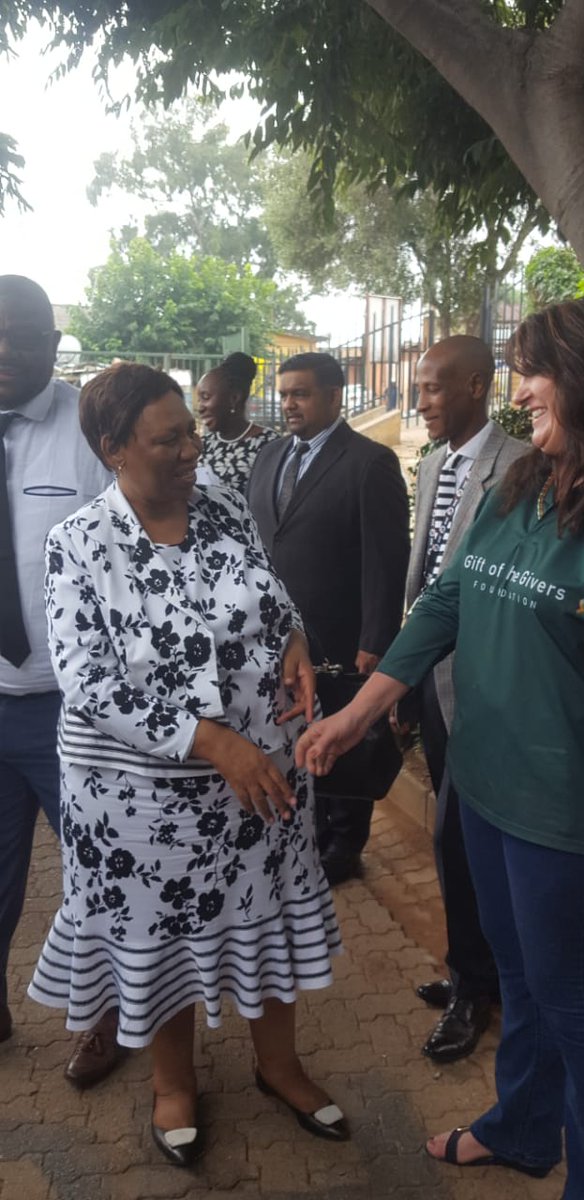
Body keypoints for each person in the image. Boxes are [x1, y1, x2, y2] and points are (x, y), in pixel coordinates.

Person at [296, 296, 584, 1199]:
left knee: (577, 1003)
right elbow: (446, 600)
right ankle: (521, 1128)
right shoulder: (526, 483)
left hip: (567, 815)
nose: (521, 389)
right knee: (518, 977)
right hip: (482, 785)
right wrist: (358, 714)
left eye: (535, 371)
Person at [28, 362, 346, 1167]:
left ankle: (279, 1067)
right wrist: (212, 743)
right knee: (162, 936)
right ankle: (173, 1084)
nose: (190, 449)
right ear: (113, 448)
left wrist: (295, 638)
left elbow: (268, 591)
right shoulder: (77, 543)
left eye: (190, 432)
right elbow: (87, 680)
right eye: (167, 439)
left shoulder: (223, 503)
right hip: (140, 799)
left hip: (259, 779)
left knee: (268, 917)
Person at [0, 274, 122, 1086]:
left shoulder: (91, 433)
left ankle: (107, 1018)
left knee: (97, 867)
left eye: (21, 334)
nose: (4, 350)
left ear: (52, 343)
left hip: (72, 711)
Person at [400, 336, 527, 1064]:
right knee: (450, 836)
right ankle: (472, 971)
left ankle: (479, 987)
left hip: (483, 684)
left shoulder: (521, 467)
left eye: (433, 388)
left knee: (463, 836)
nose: (420, 402)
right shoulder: (433, 465)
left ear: (477, 386)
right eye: (419, 387)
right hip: (430, 674)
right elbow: (425, 575)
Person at [248, 352, 410, 886]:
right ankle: (304, 828)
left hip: (340, 636)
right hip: (274, 634)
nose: (288, 404)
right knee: (292, 733)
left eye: (301, 393)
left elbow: (386, 559)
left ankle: (344, 842)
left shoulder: (369, 462)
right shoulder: (270, 455)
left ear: (335, 396)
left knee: (344, 740)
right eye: (284, 394)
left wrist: (376, 637)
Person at [196, 352, 279, 493]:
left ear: (234, 398)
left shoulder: (269, 445)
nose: (200, 408)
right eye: (199, 400)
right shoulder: (203, 445)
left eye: (206, 397)